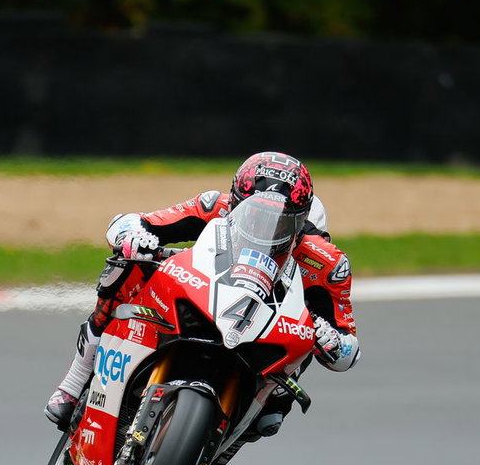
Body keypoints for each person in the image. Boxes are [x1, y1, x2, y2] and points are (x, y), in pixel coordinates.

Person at [44, 151, 359, 431]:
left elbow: (348, 350)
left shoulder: (327, 262)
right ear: (234, 200)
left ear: (301, 222)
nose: (264, 227)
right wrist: (135, 237)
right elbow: (133, 223)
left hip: (265, 332)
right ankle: (76, 377)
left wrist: (329, 339)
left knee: (287, 378)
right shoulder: (213, 205)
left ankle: (245, 423)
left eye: (280, 222)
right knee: (127, 265)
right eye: (253, 213)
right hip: (206, 293)